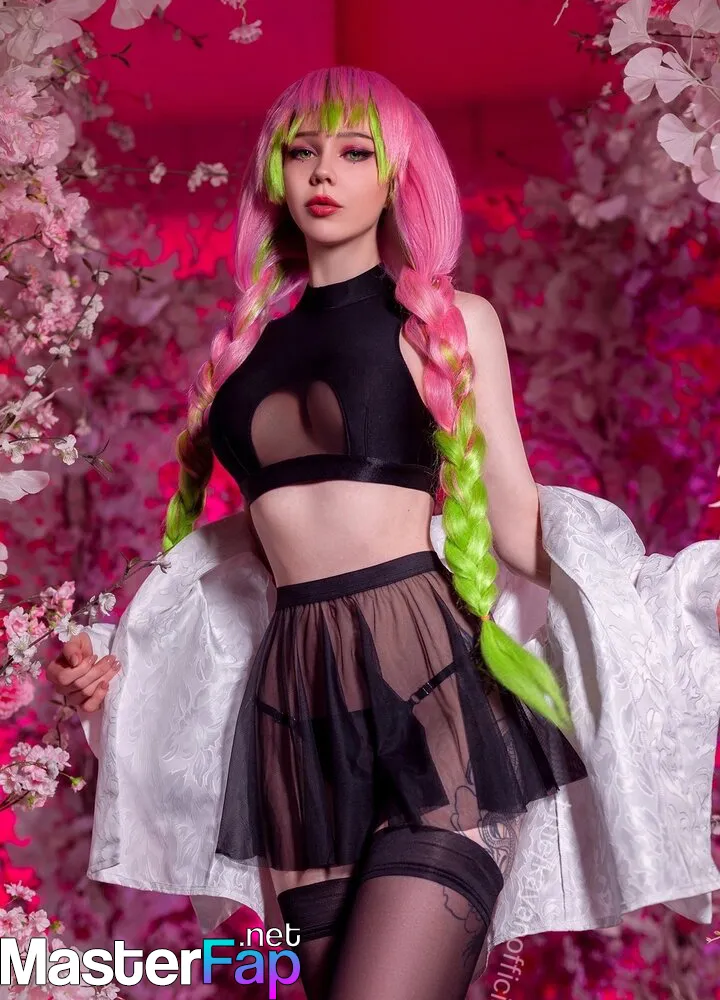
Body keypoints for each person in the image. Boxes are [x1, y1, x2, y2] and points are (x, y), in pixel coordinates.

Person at [46, 67, 720, 1000]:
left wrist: (676, 590)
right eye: (303, 151)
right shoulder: (243, 353)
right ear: (275, 174)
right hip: (293, 723)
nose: (325, 171)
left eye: (356, 152)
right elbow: (243, 556)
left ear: (397, 176)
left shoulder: (445, 324)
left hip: (434, 698)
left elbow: (518, 527)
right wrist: (123, 661)